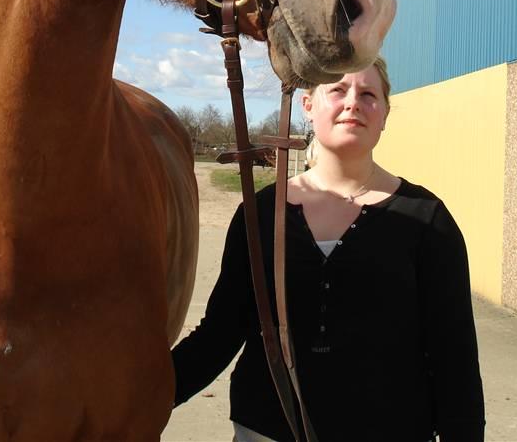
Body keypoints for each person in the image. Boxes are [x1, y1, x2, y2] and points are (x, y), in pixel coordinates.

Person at [171, 58, 485, 442]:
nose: (353, 102)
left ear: (385, 114)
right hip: (267, 429)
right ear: (308, 105)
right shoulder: (262, 214)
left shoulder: (427, 220)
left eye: (369, 94)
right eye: (337, 90)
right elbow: (219, 334)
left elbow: (455, 359)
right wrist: (134, 395)